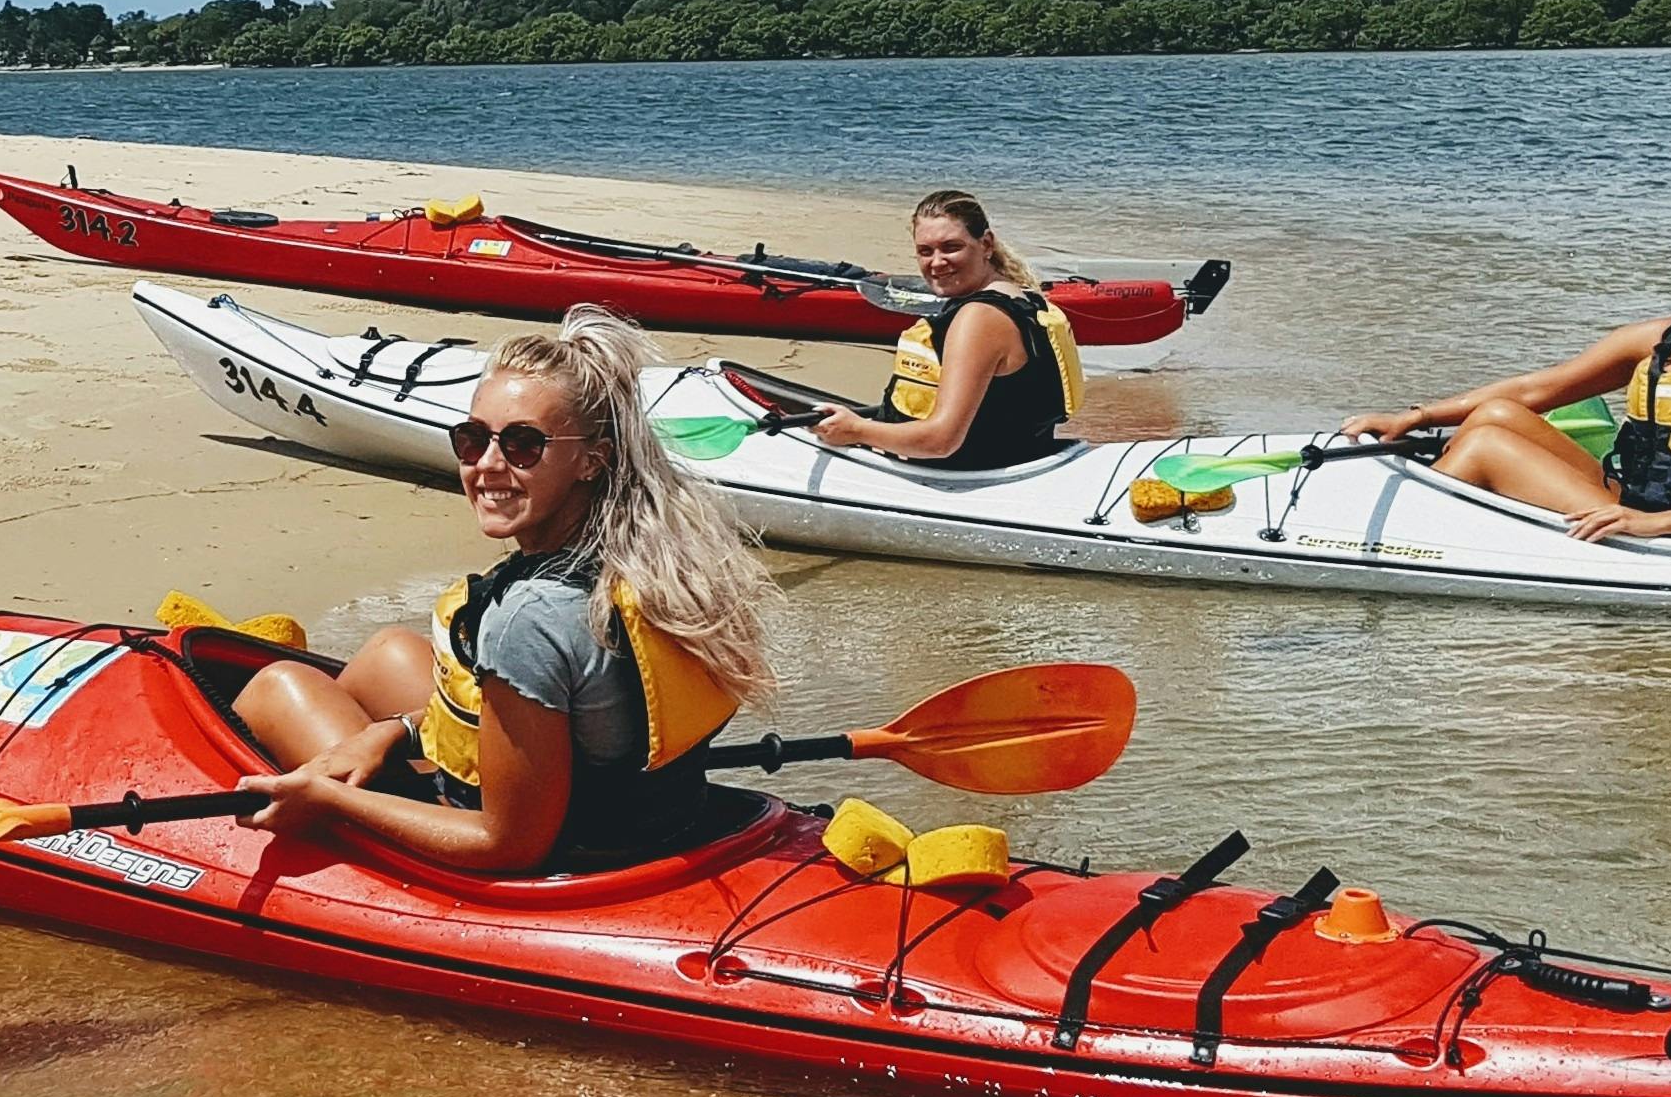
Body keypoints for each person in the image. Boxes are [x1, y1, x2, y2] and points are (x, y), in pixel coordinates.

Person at [231, 307, 775, 875]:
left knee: (278, 686)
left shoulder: (531, 619)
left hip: (558, 851)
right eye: (472, 440)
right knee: (389, 652)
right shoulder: (660, 561)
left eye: (522, 445)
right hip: (647, 815)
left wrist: (332, 798)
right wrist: (398, 732)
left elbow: (508, 844)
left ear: (593, 459)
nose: (487, 466)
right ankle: (363, 760)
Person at [1340, 204, 1671, 541]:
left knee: (1486, 445)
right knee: (1497, 415)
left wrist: (1650, 526)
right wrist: (1416, 417)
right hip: (1632, 499)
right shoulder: (1661, 339)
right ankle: (1431, 518)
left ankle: (1405, 539)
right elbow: (1537, 388)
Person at [806, 189, 1083, 470]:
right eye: (925, 251)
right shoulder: (1023, 297)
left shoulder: (979, 318)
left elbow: (941, 441)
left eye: (951, 247)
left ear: (986, 244)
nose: (937, 262)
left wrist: (856, 430)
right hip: (1021, 458)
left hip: (968, 480)